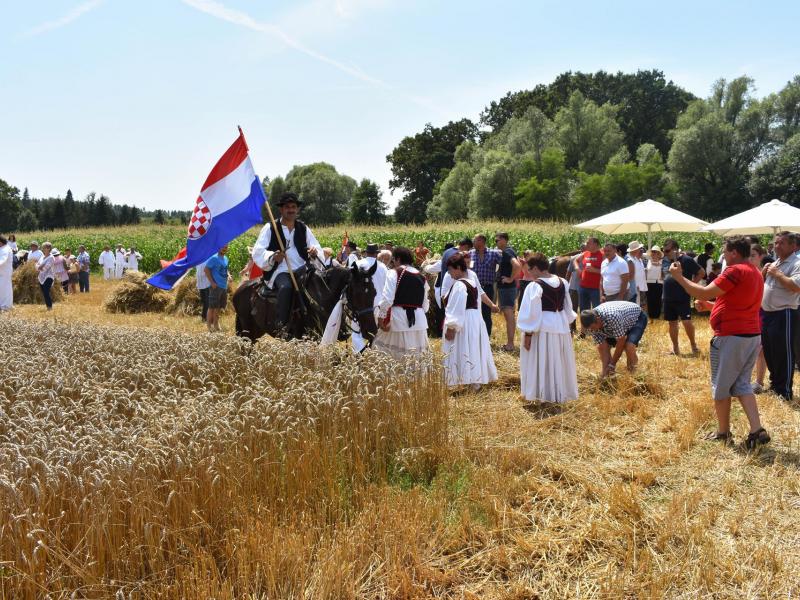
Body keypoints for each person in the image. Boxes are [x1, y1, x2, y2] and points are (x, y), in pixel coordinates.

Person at [668, 236, 770, 449]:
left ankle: (723, 433)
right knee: (742, 384)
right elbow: (739, 303)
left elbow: (701, 290)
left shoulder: (734, 271)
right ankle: (756, 429)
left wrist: (678, 277)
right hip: (750, 335)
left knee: (721, 388)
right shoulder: (754, 272)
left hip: (731, 336)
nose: (723, 254)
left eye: (725, 250)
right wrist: (712, 305)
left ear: (734, 252)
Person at [252, 192, 322, 333]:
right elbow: (258, 251)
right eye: (287, 207)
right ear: (281, 210)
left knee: (319, 284)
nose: (291, 210)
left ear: (297, 209)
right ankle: (282, 325)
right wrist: (273, 257)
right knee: (286, 288)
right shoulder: (270, 227)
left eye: (293, 207)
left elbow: (316, 247)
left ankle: (320, 323)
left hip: (303, 268)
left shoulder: (303, 228)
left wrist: (315, 252)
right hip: (281, 270)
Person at [518, 252, 578, 403]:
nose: (528, 273)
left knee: (542, 360)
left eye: (529, 269)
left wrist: (528, 334)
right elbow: (568, 307)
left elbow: (531, 313)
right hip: (560, 325)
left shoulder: (534, 286)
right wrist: (567, 326)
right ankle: (556, 394)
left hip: (542, 328)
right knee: (557, 360)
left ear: (537, 268)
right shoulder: (563, 281)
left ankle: (543, 394)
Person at [440, 254, 497, 389]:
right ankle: (473, 382)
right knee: (471, 349)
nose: (449, 273)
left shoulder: (460, 285)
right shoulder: (471, 282)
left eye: (450, 270)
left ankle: (465, 381)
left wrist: (451, 328)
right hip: (473, 319)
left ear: (458, 268)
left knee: (462, 348)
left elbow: (457, 307)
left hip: (464, 320)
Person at [760, 231, 800, 400]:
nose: (777, 246)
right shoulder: (776, 261)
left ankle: (784, 391)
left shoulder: (796, 262)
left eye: (781, 243)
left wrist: (778, 274)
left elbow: (796, 286)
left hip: (785, 313)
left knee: (783, 353)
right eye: (776, 243)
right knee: (770, 351)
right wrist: (763, 274)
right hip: (767, 314)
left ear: (793, 246)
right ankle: (775, 385)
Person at [374, 246, 430, 358]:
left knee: (389, 357)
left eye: (394, 260)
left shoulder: (394, 273)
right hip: (419, 321)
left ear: (398, 259)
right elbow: (425, 305)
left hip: (398, 320)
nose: (393, 263)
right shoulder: (421, 277)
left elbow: (387, 298)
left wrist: (381, 316)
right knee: (416, 358)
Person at [581, 301, 648, 377]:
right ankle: (607, 374)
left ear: (598, 319)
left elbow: (621, 342)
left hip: (637, 318)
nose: (592, 331)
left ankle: (634, 375)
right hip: (622, 322)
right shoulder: (592, 325)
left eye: (593, 328)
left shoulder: (612, 317)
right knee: (601, 347)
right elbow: (603, 345)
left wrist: (612, 364)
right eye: (590, 329)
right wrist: (607, 368)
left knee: (629, 346)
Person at [662, 239, 704, 355]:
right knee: (672, 323)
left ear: (675, 249)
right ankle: (675, 349)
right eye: (663, 250)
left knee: (686, 321)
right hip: (668, 296)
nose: (665, 253)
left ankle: (694, 346)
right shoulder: (665, 260)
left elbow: (701, 272)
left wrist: (692, 286)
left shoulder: (687, 260)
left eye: (667, 250)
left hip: (682, 296)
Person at [352, 243, 388, 353]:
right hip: (378, 305)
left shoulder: (357, 264)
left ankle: (360, 352)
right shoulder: (383, 267)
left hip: (361, 305)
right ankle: (373, 353)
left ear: (366, 253)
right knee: (376, 332)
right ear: (377, 254)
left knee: (356, 330)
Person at [470, 234, 502, 337]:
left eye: (474, 240)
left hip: (488, 288)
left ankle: (486, 337)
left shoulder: (494, 254)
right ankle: (475, 336)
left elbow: (505, 264)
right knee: (474, 312)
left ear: (481, 241)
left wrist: (498, 276)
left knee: (486, 314)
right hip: (473, 288)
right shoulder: (470, 254)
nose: (473, 242)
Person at [495, 232, 521, 351]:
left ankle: (510, 344)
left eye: (498, 240)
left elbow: (517, 266)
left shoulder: (507, 252)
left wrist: (510, 278)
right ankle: (510, 342)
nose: (496, 242)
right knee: (508, 314)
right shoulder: (508, 251)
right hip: (507, 288)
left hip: (507, 288)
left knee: (509, 314)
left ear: (504, 240)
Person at [749, 245, 768, 394]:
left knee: (760, 350)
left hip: (761, 314)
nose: (749, 258)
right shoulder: (745, 272)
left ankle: (759, 381)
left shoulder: (766, 272)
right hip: (749, 314)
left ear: (761, 256)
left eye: (753, 255)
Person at [573, 237, 603, 326]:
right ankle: (584, 331)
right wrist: (577, 268)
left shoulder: (602, 254)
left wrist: (595, 270)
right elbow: (575, 260)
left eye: (589, 243)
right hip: (583, 286)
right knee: (583, 310)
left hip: (596, 288)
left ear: (596, 244)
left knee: (597, 310)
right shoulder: (586, 253)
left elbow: (607, 271)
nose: (586, 244)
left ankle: (597, 330)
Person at [204, 245, 232, 333]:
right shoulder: (214, 258)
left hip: (224, 286)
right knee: (212, 307)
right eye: (223, 247)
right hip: (216, 286)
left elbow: (225, 269)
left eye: (226, 247)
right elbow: (206, 269)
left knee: (219, 307)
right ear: (219, 247)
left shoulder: (226, 258)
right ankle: (209, 326)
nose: (224, 249)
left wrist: (229, 275)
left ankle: (216, 324)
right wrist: (212, 282)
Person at [644, 245, 665, 318]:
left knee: (657, 300)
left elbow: (665, 271)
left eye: (654, 252)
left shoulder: (662, 262)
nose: (653, 253)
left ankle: (656, 315)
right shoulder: (649, 261)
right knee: (650, 300)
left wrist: (659, 265)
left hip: (658, 283)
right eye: (652, 252)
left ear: (659, 253)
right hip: (649, 282)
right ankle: (651, 315)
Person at [626, 241, 648, 306]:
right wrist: (635, 285)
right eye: (639, 248)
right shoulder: (629, 260)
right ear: (635, 250)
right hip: (633, 287)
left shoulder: (635, 259)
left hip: (638, 287)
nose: (640, 250)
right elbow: (630, 275)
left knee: (637, 305)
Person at [36, 242, 56, 311]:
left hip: (49, 276)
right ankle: (48, 306)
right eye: (43, 248)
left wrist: (40, 267)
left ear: (49, 249)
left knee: (46, 291)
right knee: (44, 292)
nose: (43, 249)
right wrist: (39, 267)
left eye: (45, 248)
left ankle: (49, 307)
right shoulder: (42, 257)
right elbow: (37, 265)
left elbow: (47, 267)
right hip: (41, 276)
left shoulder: (51, 257)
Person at [195, 258, 211, 322]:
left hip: (207, 283)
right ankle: (205, 317)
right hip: (201, 284)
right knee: (204, 301)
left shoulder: (209, 258)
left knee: (207, 301)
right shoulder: (199, 259)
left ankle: (205, 318)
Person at [0, 235, 12, 311]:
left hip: (4, 273)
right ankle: (5, 305)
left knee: (4, 289)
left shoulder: (5, 249)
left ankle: (5, 306)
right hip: (3, 272)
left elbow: (3, 260)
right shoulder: (3, 248)